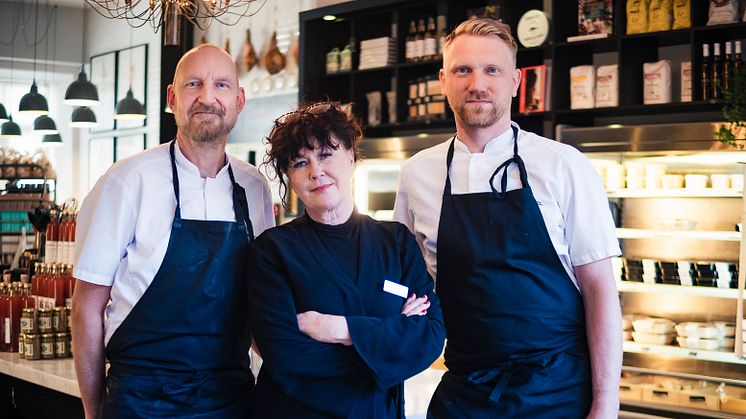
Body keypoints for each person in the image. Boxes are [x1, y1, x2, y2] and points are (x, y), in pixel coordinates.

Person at [394, 18, 622, 418]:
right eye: (463, 70)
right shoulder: (418, 173)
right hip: (465, 390)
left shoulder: (563, 164)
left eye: (492, 70)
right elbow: (408, 285)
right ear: (443, 80)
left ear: (515, 81)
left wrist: (606, 403)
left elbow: (600, 289)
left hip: (558, 392)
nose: (476, 83)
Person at [71, 44, 274, 419]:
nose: (207, 97)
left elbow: (261, 302)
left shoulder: (255, 188)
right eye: (193, 84)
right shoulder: (127, 180)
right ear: (172, 97)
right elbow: (86, 307)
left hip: (231, 399)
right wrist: (93, 410)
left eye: (222, 85)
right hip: (141, 400)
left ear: (240, 100)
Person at [248, 102, 446, 418]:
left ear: (351, 157)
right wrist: (387, 340)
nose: (316, 171)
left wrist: (339, 329)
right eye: (300, 162)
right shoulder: (273, 251)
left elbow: (430, 335)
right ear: (290, 177)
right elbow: (286, 356)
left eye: (326, 154)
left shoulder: (396, 242)